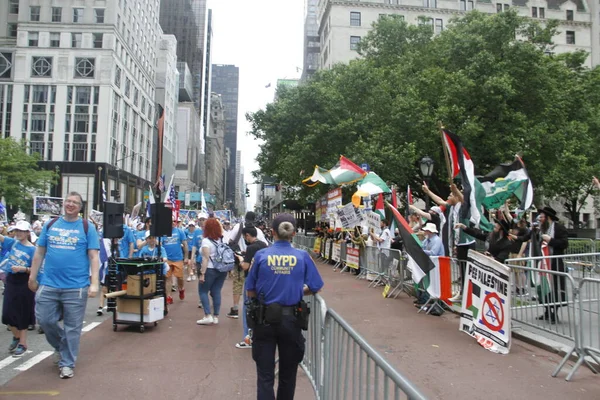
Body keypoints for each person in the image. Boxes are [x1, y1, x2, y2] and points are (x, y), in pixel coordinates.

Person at [246, 213, 324, 400]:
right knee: (288, 376)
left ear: (272, 232)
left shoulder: (261, 255)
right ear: (294, 233)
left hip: (264, 320)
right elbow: (316, 286)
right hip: (291, 320)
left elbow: (250, 290)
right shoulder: (302, 256)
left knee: (265, 376)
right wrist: (297, 291)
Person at [28, 192, 100, 379]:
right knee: (44, 320)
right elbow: (39, 252)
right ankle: (62, 345)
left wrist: (94, 283)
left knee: (72, 327)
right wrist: (32, 277)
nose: (70, 204)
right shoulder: (50, 225)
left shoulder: (87, 227)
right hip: (49, 283)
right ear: (63, 203)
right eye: (68, 201)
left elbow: (94, 256)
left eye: (75, 202)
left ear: (80, 207)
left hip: (76, 286)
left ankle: (67, 363)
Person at [1, 221, 36, 357]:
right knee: (7, 314)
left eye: (22, 231)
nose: (19, 233)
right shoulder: (13, 243)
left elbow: (36, 269)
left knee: (22, 312)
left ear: (28, 232)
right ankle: (16, 336)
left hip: (24, 282)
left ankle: (23, 343)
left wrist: (23, 269)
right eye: (17, 230)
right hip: (11, 280)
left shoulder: (33, 249)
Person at [224, 211, 268, 319]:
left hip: (241, 261)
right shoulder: (258, 231)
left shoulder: (238, 227)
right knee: (254, 286)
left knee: (238, 285)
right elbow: (265, 245)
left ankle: (235, 309)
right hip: (255, 263)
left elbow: (230, 241)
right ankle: (256, 309)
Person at [234, 226, 268, 349]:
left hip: (251, 280)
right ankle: (260, 336)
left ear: (248, 235)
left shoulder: (251, 248)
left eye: (245, 237)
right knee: (262, 308)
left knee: (248, 308)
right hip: (263, 280)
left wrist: (241, 259)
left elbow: (245, 266)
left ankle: (248, 337)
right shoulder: (264, 245)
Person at [196, 218, 229, 325]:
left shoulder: (206, 241)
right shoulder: (223, 238)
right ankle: (216, 316)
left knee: (203, 291)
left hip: (210, 268)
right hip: (222, 269)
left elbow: (205, 258)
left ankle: (207, 315)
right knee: (216, 291)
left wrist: (202, 274)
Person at [162, 220, 188, 304]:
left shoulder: (180, 231)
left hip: (178, 258)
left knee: (180, 277)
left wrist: (186, 257)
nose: (172, 223)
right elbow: (160, 244)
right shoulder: (163, 232)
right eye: (171, 221)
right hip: (167, 259)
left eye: (174, 221)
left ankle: (181, 289)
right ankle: (169, 296)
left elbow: (185, 244)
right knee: (168, 278)